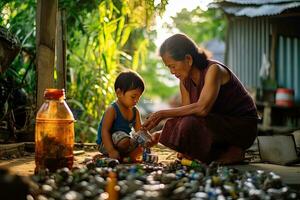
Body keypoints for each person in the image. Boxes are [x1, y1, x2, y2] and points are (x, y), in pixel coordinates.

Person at [143, 33, 258, 164]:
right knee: (184, 123)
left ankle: (234, 151)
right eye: (168, 67)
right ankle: (220, 153)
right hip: (215, 124)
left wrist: (163, 113)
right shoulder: (184, 80)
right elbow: (186, 115)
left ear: (188, 59)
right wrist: (160, 134)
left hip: (241, 127)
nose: (172, 72)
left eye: (173, 66)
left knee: (188, 123)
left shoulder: (214, 70)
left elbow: (202, 109)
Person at [96, 71, 145, 160]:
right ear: (119, 93)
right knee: (123, 139)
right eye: (133, 97)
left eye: (139, 97)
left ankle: (125, 156)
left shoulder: (135, 111)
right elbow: (105, 131)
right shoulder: (112, 110)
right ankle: (116, 154)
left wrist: (147, 141)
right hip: (106, 144)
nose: (136, 100)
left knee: (141, 142)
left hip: (125, 142)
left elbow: (139, 131)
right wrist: (111, 150)